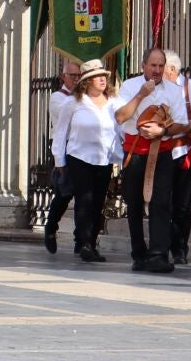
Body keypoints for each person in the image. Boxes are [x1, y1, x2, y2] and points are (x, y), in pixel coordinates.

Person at [113, 47, 191, 273]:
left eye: (160, 66)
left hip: (162, 152)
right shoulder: (129, 87)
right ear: (143, 66)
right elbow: (121, 116)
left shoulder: (173, 90)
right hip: (135, 151)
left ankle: (158, 253)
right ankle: (138, 253)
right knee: (134, 203)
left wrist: (162, 131)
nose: (157, 70)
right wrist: (141, 95)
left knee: (161, 201)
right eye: (153, 65)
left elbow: (181, 124)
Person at [53, 59, 119, 261]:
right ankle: (84, 244)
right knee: (84, 199)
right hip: (78, 157)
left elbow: (121, 128)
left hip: (104, 158)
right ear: (87, 81)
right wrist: (59, 160)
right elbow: (61, 132)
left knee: (98, 201)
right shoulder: (73, 102)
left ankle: (92, 240)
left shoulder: (113, 103)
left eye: (104, 76)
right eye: (97, 76)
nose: (102, 79)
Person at [42, 58, 83, 252]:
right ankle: (51, 226)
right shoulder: (58, 97)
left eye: (79, 75)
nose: (76, 79)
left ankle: (81, 240)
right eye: (72, 75)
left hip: (81, 147)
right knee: (64, 193)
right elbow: (70, 120)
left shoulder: (84, 98)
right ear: (63, 77)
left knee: (84, 196)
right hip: (64, 147)